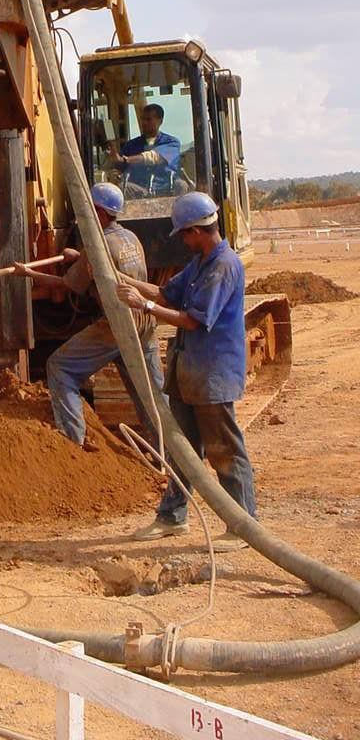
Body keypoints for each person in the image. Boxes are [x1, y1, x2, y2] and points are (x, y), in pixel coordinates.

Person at [116, 191, 255, 550]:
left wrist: (142, 304)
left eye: (184, 235)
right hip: (189, 371)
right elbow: (165, 295)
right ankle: (173, 516)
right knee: (183, 450)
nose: (183, 242)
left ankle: (243, 524)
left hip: (213, 373)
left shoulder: (224, 265)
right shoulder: (200, 262)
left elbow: (194, 320)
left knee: (224, 448)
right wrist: (124, 281)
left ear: (197, 230)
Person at [14, 183, 166, 451]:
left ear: (100, 212)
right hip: (145, 324)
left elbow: (66, 285)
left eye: (88, 210)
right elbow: (100, 266)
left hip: (117, 326)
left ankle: (73, 440)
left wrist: (28, 274)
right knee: (150, 396)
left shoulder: (99, 246)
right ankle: (169, 451)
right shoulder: (130, 238)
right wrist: (79, 257)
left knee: (60, 367)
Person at [110, 103, 180, 195]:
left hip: (166, 190)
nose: (144, 123)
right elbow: (118, 168)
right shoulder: (131, 145)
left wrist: (125, 159)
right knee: (119, 187)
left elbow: (154, 157)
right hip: (138, 191)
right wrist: (115, 168)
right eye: (142, 119)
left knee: (182, 185)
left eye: (148, 119)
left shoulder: (172, 143)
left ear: (160, 121)